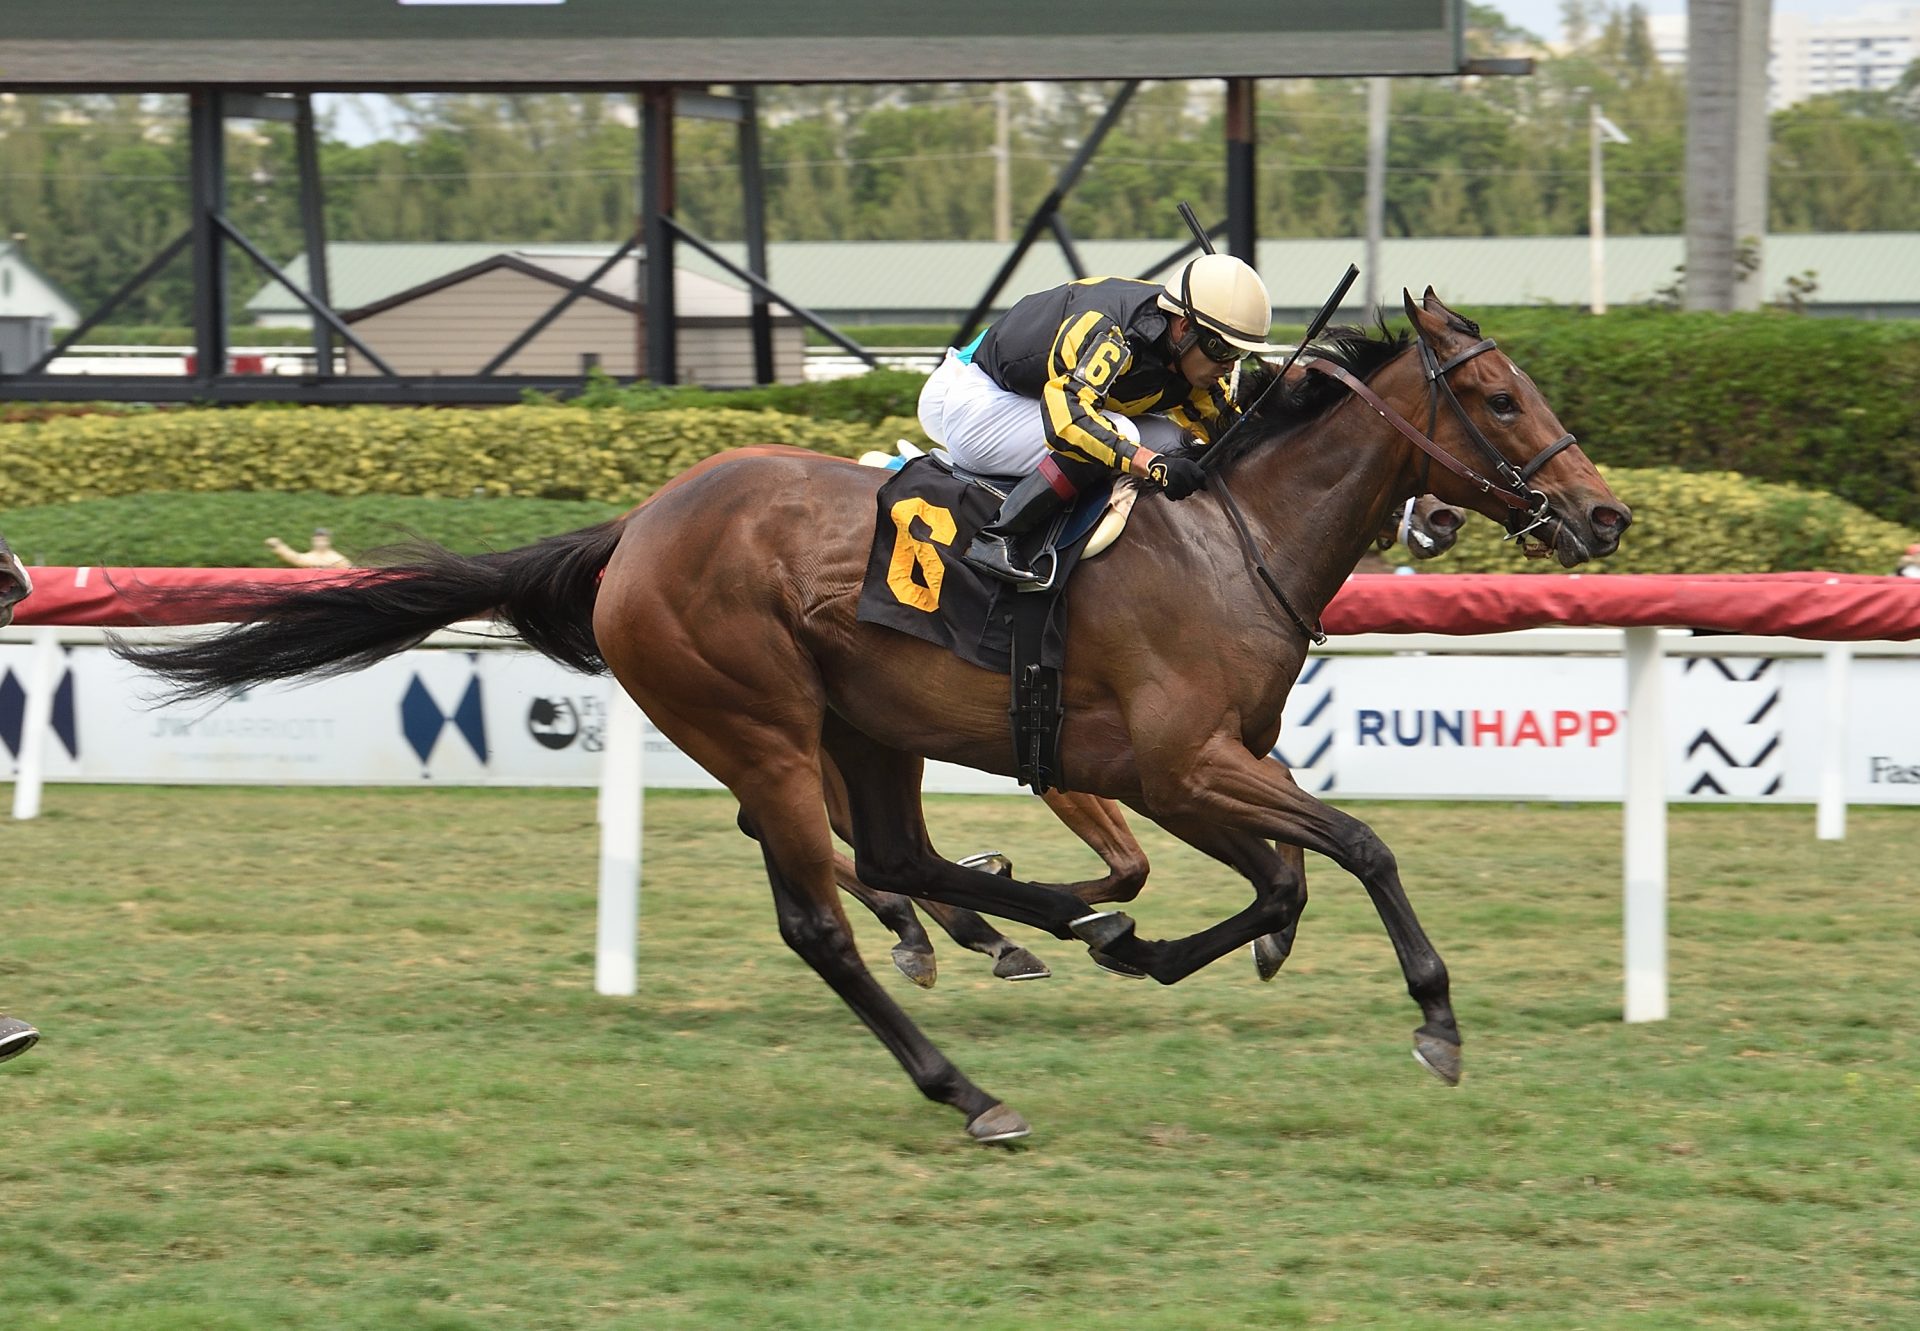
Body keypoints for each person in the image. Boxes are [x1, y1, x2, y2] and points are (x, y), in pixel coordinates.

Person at [918, 253, 1288, 585]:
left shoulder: (1189, 355)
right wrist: (1152, 465)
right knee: (1121, 435)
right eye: (1222, 349)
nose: (1229, 366)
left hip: (1027, 400)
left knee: (1178, 443)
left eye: (1239, 353)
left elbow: (1225, 434)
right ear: (1183, 328)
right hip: (974, 402)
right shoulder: (1113, 335)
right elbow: (1069, 423)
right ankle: (997, 536)